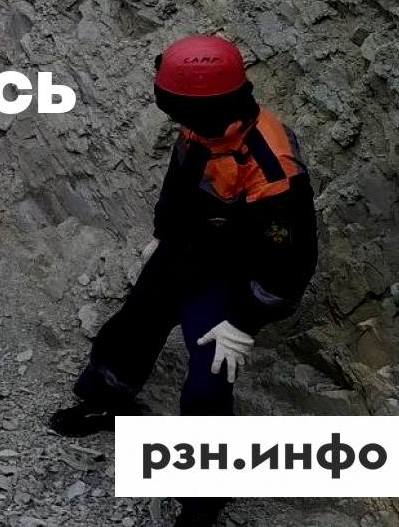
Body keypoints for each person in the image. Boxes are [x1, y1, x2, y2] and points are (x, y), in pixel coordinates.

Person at [47, 35, 319, 526]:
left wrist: (244, 321)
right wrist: (163, 235)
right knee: (133, 326)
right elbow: (179, 183)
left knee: (207, 385)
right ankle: (107, 400)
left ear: (203, 103)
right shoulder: (204, 125)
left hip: (229, 275)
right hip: (185, 249)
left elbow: (290, 265)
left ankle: (202, 504)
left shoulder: (271, 168)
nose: (174, 117)